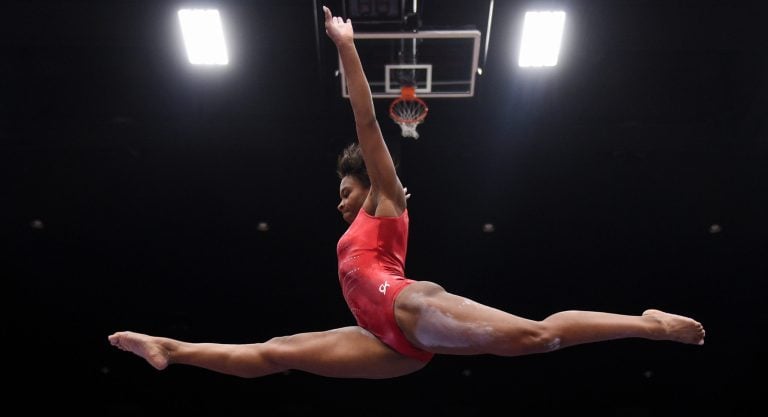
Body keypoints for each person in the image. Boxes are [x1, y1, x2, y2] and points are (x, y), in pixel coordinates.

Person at [108, 6, 704, 380]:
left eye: (347, 189)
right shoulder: (356, 224)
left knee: (537, 335)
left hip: (409, 307)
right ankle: (169, 346)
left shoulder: (385, 201)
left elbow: (368, 125)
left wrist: (346, 46)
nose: (341, 202)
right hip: (385, 342)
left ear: (369, 185)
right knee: (274, 354)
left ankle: (649, 324)